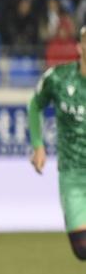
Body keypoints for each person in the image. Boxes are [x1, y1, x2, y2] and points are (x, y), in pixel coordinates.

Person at [29, 26, 86, 260]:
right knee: (82, 249)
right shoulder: (58, 78)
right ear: (80, 47)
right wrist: (38, 145)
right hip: (72, 174)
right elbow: (35, 105)